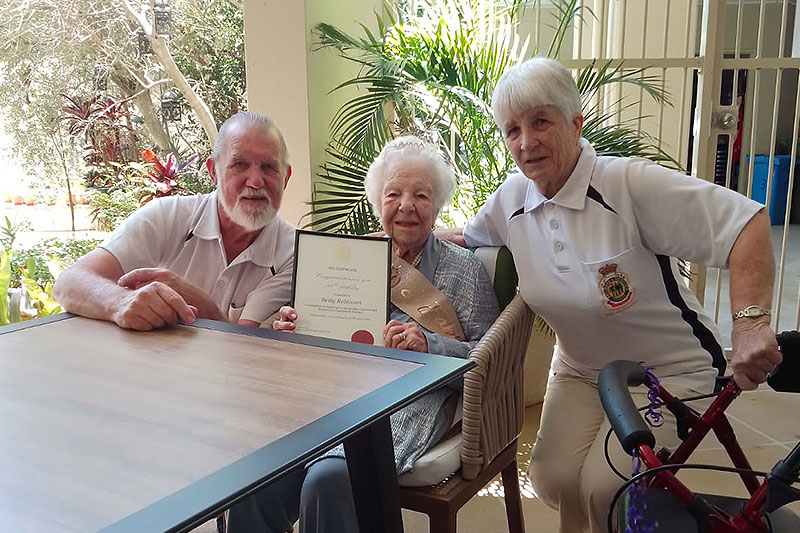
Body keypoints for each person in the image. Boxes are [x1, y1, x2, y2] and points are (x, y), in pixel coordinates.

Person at [440, 57, 781, 532]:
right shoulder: (511, 199)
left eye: (541, 121)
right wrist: (399, 237)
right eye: (512, 129)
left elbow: (745, 223)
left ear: (575, 123)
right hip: (581, 370)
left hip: (669, 373)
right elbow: (466, 236)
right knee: (551, 477)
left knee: (606, 487)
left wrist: (748, 322)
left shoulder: (627, 185)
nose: (526, 141)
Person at [226, 136, 500, 533]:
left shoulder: (465, 271)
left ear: (438, 205)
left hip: (409, 403)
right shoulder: (349, 260)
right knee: (252, 483)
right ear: (378, 203)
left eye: (421, 195)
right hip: (332, 395)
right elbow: (318, 346)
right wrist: (294, 330)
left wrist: (431, 343)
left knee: (328, 479)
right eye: (394, 194)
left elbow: (487, 360)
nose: (406, 205)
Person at [53, 111, 296, 329]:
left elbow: (245, 349)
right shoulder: (167, 215)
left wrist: (192, 298)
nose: (255, 181)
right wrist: (121, 302)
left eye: (268, 167)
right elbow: (68, 283)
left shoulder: (295, 252)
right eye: (239, 164)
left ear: (285, 177)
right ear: (214, 172)